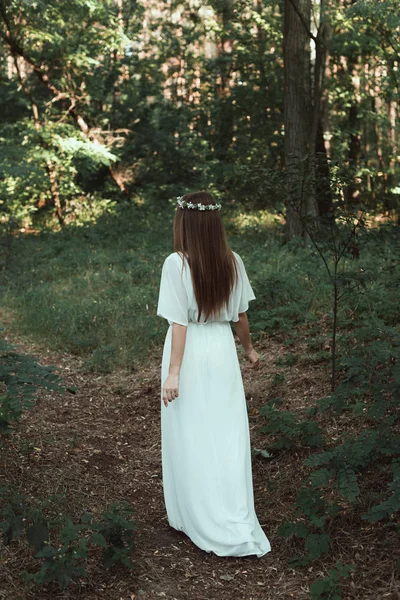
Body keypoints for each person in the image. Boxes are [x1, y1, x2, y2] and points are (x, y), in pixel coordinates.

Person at [156, 190, 272, 558]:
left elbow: (179, 323)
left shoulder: (176, 263)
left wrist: (174, 373)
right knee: (224, 434)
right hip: (221, 351)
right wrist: (248, 349)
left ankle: (200, 516)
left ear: (184, 222)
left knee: (192, 434)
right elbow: (240, 315)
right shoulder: (232, 260)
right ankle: (226, 512)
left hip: (189, 354)